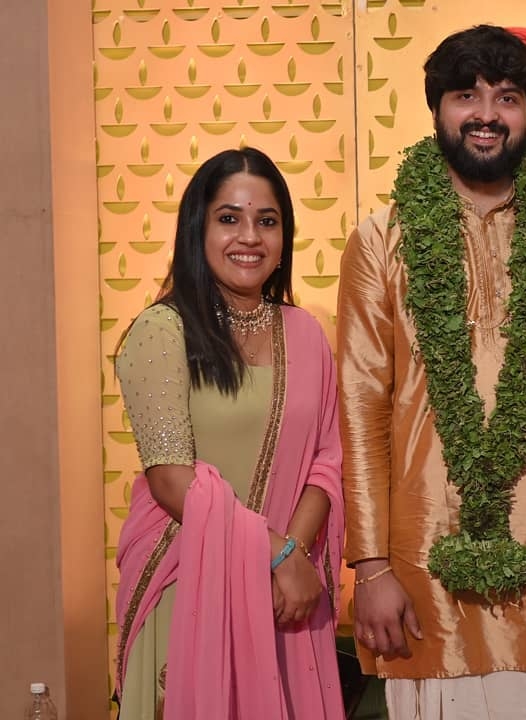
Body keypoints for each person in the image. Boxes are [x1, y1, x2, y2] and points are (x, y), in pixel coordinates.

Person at [336, 24, 526, 720]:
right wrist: (370, 566)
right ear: (437, 107)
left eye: (508, 97)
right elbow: (362, 409)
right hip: (421, 572)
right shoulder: (380, 240)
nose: (486, 114)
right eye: (467, 95)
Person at [113, 147, 345, 719]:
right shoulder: (162, 331)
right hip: (190, 581)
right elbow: (172, 480)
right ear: (198, 229)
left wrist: (294, 564)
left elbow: (326, 460)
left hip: (287, 600)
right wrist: (279, 555)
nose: (249, 237)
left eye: (267, 221)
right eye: (228, 218)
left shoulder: (307, 334)